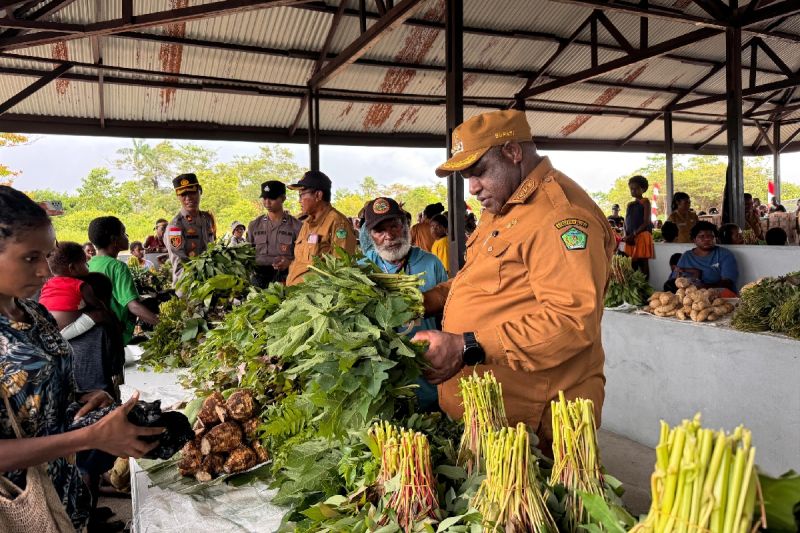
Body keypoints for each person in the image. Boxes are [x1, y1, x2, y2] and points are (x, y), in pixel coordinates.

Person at [411, 110, 616, 452]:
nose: (472, 187)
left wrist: (466, 345)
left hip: (535, 420)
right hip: (492, 417)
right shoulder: (503, 207)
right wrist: (423, 301)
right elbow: (475, 281)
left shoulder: (559, 216)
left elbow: (573, 321)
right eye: (465, 177)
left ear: (513, 153)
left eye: (478, 173)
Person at [0, 185, 166, 532]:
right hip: (17, 502)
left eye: (48, 255)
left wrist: (85, 397)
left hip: (63, 488)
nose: (45, 271)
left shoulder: (34, 312)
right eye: (30, 258)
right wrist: (87, 437)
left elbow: (44, 391)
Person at [361, 197, 448, 411]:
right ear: (370, 236)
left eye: (394, 226)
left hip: (426, 371)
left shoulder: (431, 263)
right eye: (379, 231)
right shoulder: (362, 270)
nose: (389, 236)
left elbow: (447, 316)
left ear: (405, 226)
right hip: (384, 376)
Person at [88, 216, 159, 346]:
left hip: (98, 336)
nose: (127, 236)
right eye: (123, 232)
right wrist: (164, 323)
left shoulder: (90, 264)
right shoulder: (118, 267)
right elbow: (133, 306)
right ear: (114, 240)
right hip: (114, 336)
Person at [285, 171, 357, 286]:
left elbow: (343, 270)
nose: (299, 201)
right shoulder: (307, 223)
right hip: (295, 295)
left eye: (302, 195)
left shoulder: (338, 223)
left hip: (313, 298)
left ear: (318, 195)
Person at [247, 180, 302, 287]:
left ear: (283, 198)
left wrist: (290, 263)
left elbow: (303, 256)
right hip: (258, 279)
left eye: (272, 198)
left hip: (286, 278)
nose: (267, 202)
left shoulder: (297, 226)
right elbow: (247, 254)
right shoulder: (254, 225)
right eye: (264, 198)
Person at [165, 173, 217, 286]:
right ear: (178, 196)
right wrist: (200, 285)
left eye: (192, 192)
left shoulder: (207, 219)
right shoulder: (175, 227)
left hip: (210, 284)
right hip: (188, 287)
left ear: (200, 191)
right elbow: (180, 264)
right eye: (183, 194)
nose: (188, 198)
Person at [676, 221, 738, 296]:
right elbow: (677, 280)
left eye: (710, 236)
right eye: (702, 236)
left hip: (721, 298)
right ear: (694, 240)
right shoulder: (686, 256)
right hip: (692, 298)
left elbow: (728, 283)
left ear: (715, 238)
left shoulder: (725, 254)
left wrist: (703, 288)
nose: (707, 239)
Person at [624, 175, 655, 279]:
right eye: (631, 189)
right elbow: (626, 222)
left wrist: (633, 234)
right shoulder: (630, 205)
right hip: (631, 237)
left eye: (636, 188)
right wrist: (626, 235)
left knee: (643, 263)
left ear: (643, 189)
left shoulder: (645, 202)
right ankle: (636, 287)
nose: (633, 191)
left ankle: (644, 288)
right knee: (632, 264)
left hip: (641, 235)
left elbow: (646, 222)